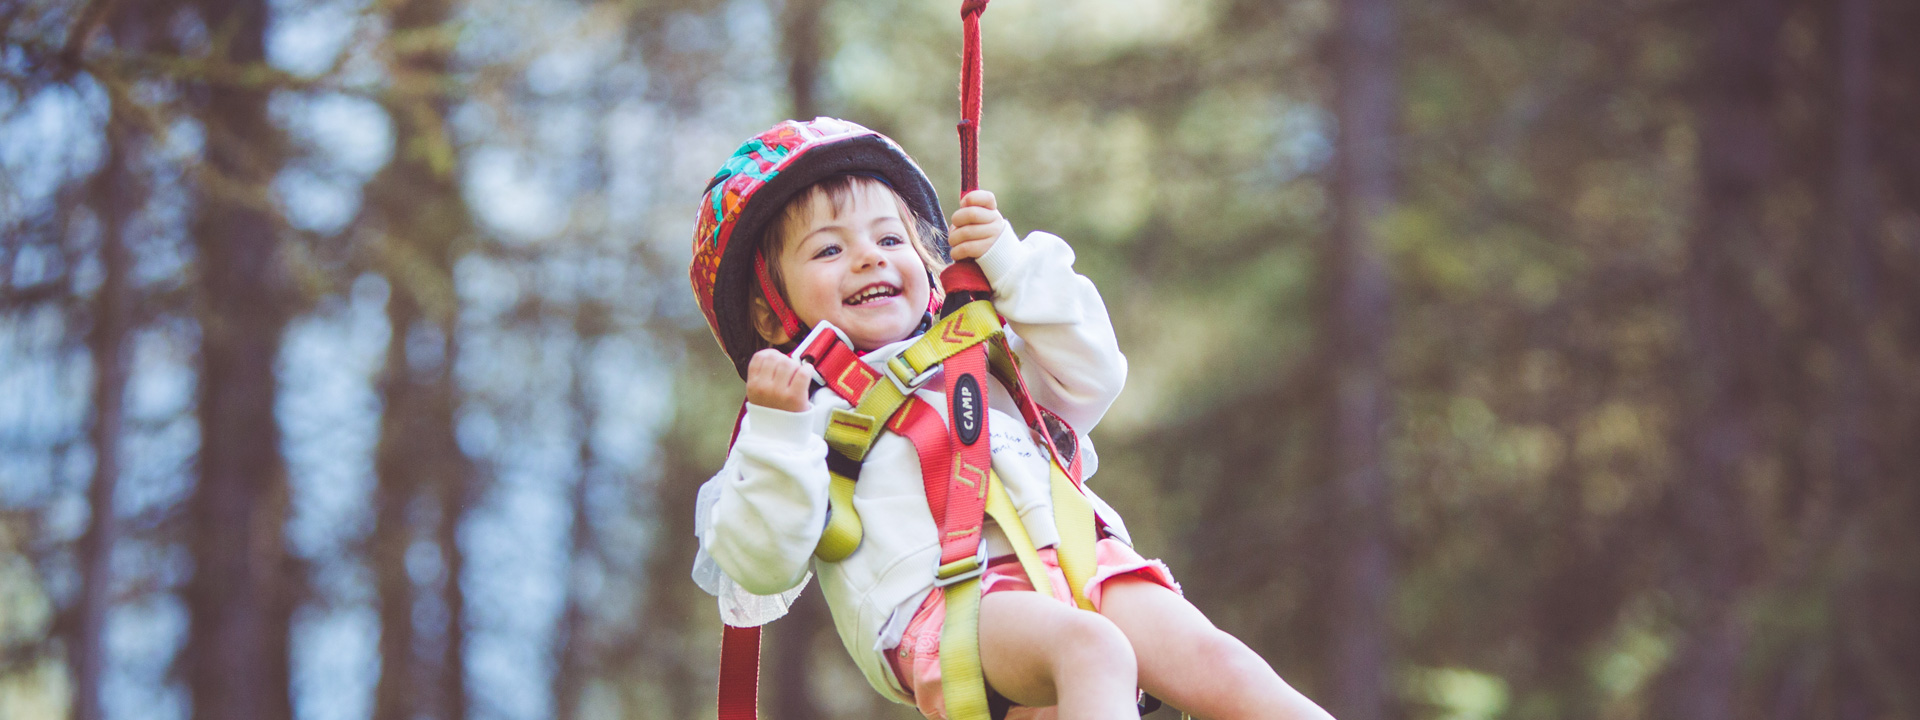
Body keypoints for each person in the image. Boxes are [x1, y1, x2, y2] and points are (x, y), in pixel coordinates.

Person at [688, 117, 1333, 720]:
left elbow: (1096, 373)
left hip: (1083, 563)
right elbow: (762, 562)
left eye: (890, 238)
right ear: (772, 315)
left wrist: (1010, 264)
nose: (869, 257)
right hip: (949, 609)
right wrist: (776, 428)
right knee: (1094, 649)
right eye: (828, 250)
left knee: (1225, 666)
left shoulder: (979, 356)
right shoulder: (798, 413)